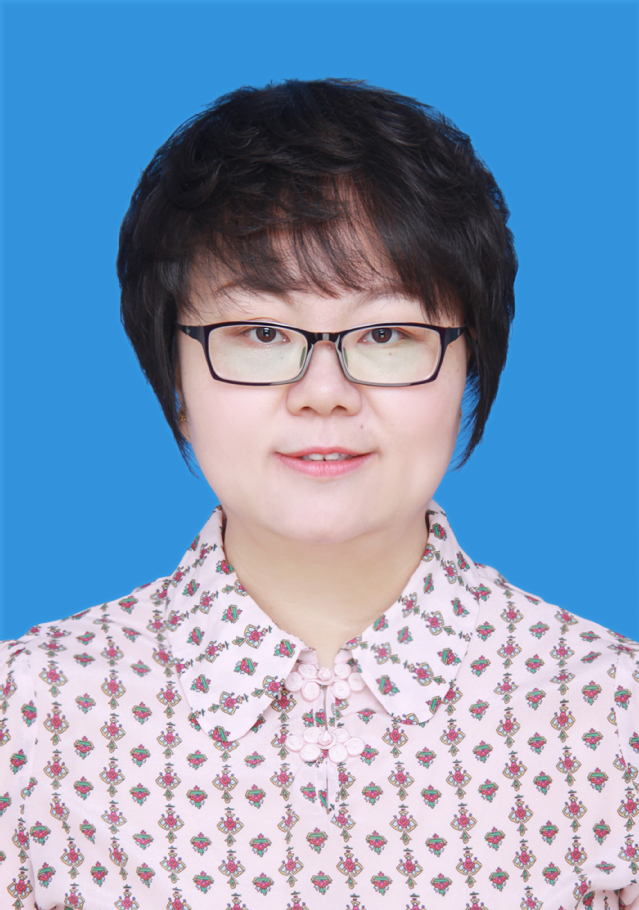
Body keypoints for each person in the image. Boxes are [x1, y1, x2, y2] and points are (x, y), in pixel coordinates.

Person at [1, 79, 637, 910]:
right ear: (176, 380)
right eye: (262, 333)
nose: (324, 393)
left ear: (468, 369)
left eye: (386, 333)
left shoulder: (611, 717)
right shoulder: (30, 715)